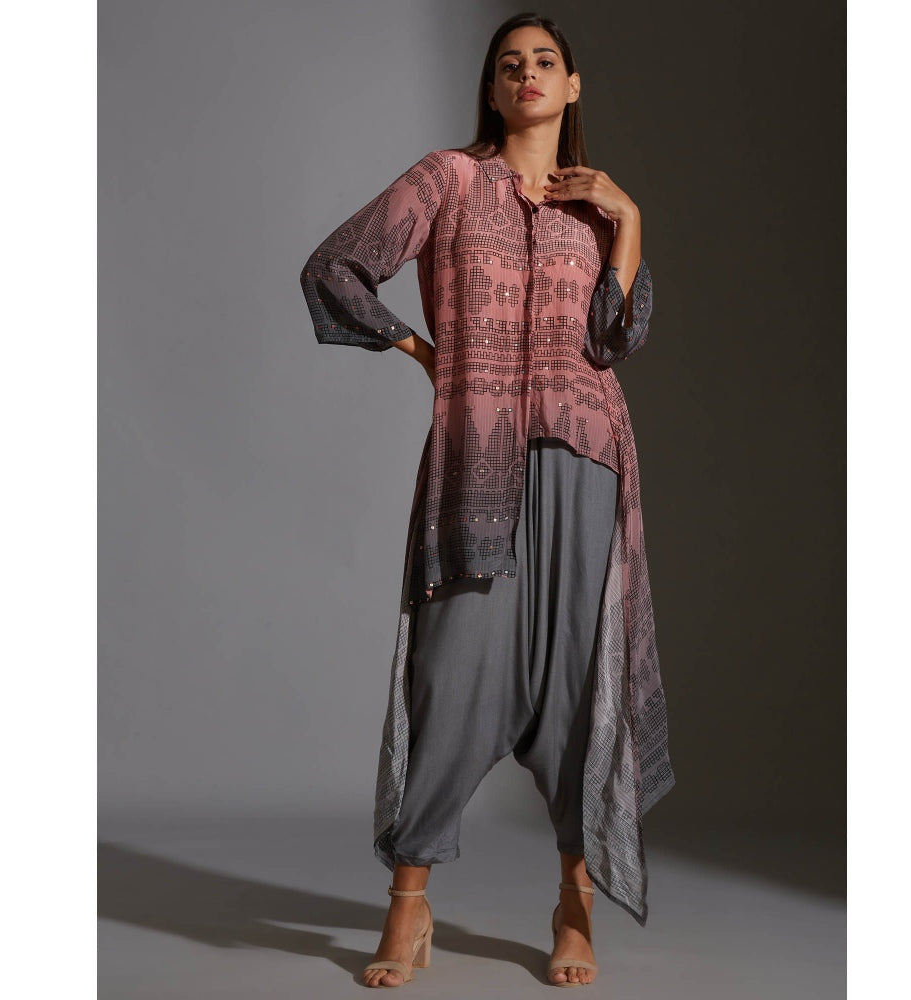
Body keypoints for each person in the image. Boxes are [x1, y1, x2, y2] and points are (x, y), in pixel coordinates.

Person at [300, 12, 676, 989]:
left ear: (572, 84)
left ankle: (574, 902)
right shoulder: (449, 180)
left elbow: (612, 341)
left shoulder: (598, 211)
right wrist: (424, 351)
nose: (527, 75)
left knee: (576, 681)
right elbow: (335, 266)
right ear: (494, 87)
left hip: (586, 452)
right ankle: (409, 904)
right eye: (510, 64)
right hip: (479, 455)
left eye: (544, 61)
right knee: (451, 671)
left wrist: (629, 219)